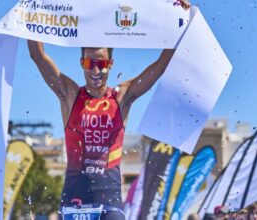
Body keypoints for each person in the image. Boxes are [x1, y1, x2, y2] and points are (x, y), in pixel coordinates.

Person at [27, 3, 189, 219]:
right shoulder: (71, 96)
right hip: (74, 202)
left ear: (110, 64)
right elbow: (38, 56)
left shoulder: (122, 97)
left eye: (101, 63)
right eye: (89, 63)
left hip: (110, 204)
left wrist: (179, 21)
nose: (96, 70)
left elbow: (160, 66)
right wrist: (30, 11)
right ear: (82, 64)